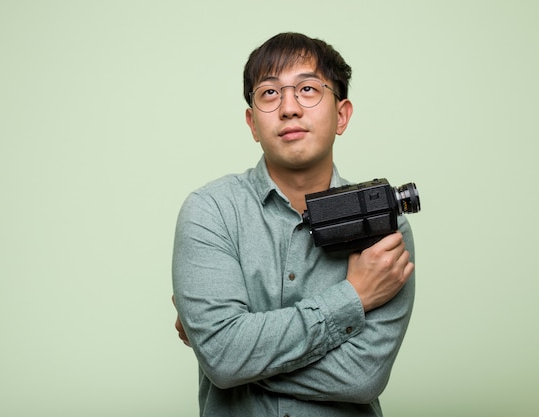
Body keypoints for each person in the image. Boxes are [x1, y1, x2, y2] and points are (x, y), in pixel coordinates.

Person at [171, 32, 416, 416]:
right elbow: (222, 356)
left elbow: (363, 377)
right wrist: (352, 296)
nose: (289, 108)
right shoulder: (210, 211)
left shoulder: (385, 226)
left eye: (307, 89)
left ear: (342, 114)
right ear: (252, 123)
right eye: (269, 93)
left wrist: (231, 354)